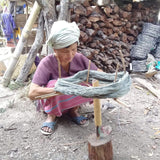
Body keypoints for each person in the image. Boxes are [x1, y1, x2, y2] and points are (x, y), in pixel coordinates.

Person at [28, 20, 100, 135]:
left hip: (67, 99)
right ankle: (51, 116)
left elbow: (98, 73)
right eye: (65, 51)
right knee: (55, 84)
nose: (71, 55)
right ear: (55, 49)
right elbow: (32, 93)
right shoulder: (47, 62)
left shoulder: (79, 58)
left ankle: (73, 111)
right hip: (53, 99)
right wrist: (59, 89)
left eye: (74, 49)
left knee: (89, 81)